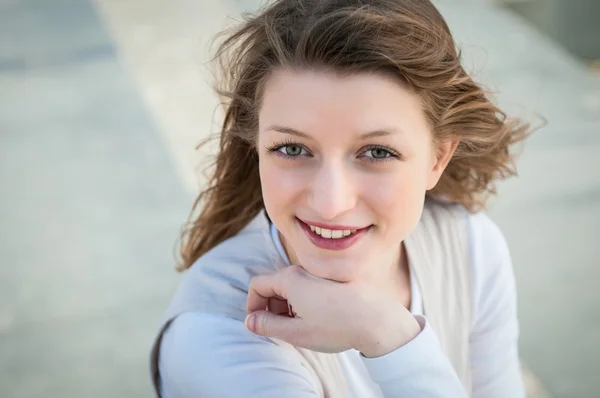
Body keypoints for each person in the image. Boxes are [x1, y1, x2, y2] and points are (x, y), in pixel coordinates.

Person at [150, 0, 531, 396]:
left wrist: (387, 334)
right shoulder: (216, 338)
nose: (330, 203)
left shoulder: (470, 248)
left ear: (438, 158)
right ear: (256, 147)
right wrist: (392, 341)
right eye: (293, 149)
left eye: (378, 152)